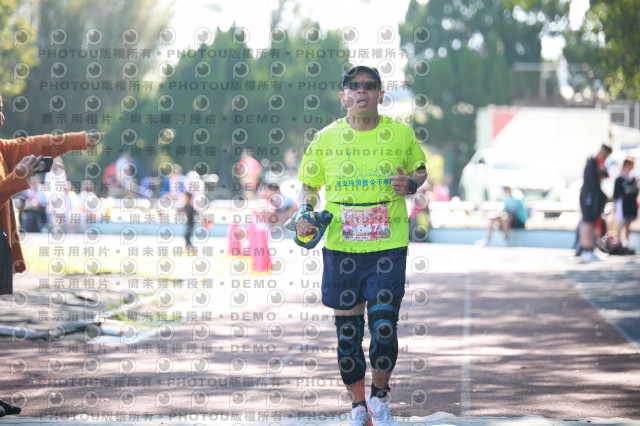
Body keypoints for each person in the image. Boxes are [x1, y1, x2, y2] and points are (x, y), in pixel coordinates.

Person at [295, 65, 427, 426]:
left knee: (384, 327)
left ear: (380, 95)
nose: (361, 91)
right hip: (342, 249)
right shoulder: (325, 138)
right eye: (354, 86)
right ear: (344, 97)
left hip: (387, 246)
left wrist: (411, 184)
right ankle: (357, 407)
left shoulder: (400, 134)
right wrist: (306, 212)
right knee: (348, 336)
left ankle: (379, 399)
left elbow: (420, 169)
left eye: (369, 86)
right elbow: (309, 185)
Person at [0, 93, 103, 416]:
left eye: (1, 110)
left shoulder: (1, 148)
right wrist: (17, 178)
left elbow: (40, 144)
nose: (2, 117)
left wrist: (79, 140)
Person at [578, 144, 612, 262]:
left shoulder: (598, 164)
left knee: (591, 222)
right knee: (587, 222)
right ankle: (585, 249)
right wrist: (603, 196)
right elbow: (593, 184)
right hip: (588, 197)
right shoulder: (591, 164)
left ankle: (590, 248)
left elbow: (606, 175)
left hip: (593, 197)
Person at [612, 157, 638, 253]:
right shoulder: (619, 179)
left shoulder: (633, 179)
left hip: (631, 205)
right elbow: (616, 195)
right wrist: (614, 208)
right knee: (620, 225)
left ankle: (625, 243)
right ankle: (617, 244)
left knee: (627, 225)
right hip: (622, 206)